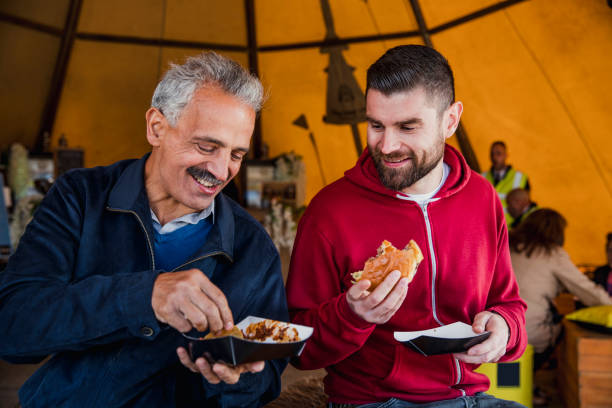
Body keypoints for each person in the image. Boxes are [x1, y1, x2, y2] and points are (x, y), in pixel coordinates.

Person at [0, 52, 288, 407]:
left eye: (236, 154)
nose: (220, 169)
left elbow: (268, 379)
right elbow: (13, 327)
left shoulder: (253, 248)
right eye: (206, 146)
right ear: (156, 127)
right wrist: (144, 296)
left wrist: (237, 381)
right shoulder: (81, 197)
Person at [286, 45, 527, 408]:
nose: (387, 145)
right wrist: (350, 316)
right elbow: (297, 347)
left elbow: (508, 305)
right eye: (376, 125)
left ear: (450, 120)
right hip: (372, 400)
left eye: (407, 126)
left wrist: (504, 330)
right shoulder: (328, 212)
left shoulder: (484, 198)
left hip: (470, 398)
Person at [510, 209, 611, 369]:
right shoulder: (553, 254)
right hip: (525, 331)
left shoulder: (507, 246)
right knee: (562, 328)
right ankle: (530, 379)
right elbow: (587, 291)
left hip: (492, 326)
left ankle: (517, 383)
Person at [481, 141, 529, 225]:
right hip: (487, 227)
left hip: (510, 229)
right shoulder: (482, 177)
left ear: (506, 155)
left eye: (498, 153)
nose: (494, 157)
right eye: (492, 154)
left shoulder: (520, 177)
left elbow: (526, 207)